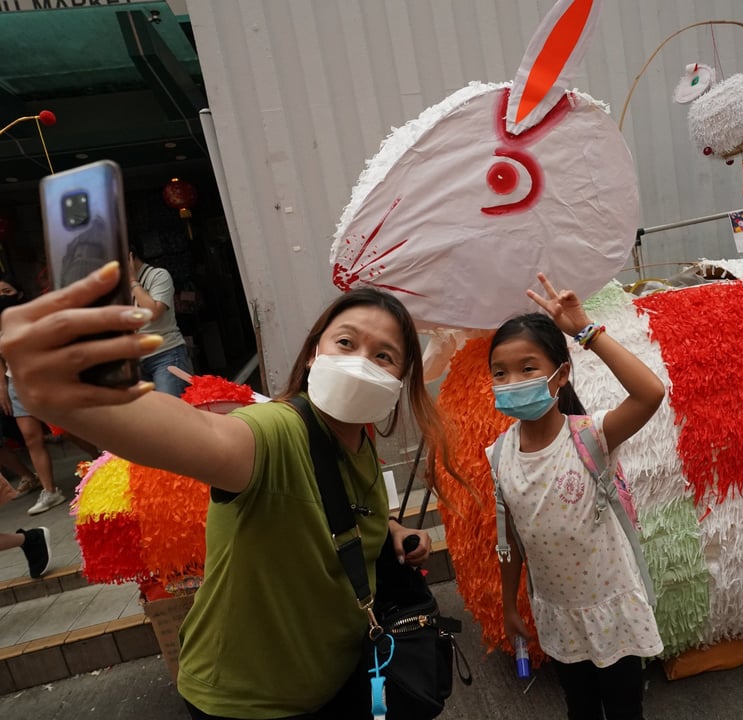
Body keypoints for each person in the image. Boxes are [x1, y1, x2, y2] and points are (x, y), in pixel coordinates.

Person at [0, 260, 466, 719]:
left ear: (400, 381)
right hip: (248, 702)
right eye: (345, 342)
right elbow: (197, 434)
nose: (360, 362)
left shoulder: (361, 442)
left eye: (383, 356)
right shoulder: (275, 432)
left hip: (336, 677)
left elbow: (340, 508)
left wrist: (390, 529)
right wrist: (74, 390)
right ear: (312, 355)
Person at [489, 272, 665, 720]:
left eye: (528, 368)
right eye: (500, 372)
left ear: (560, 373)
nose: (512, 381)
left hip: (612, 611)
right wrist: (510, 606)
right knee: (579, 709)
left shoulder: (591, 437)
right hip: (558, 614)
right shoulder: (499, 455)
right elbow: (509, 540)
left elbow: (650, 393)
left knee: (625, 710)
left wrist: (584, 330)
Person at [0, 275, 66, 515]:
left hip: (44, 379)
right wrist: (3, 388)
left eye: (6, 291)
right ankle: (50, 491)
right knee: (30, 438)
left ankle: (100, 460)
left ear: (19, 292)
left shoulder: (35, 314)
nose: (2, 298)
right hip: (16, 384)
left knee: (68, 429)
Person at [129, 245, 192, 397]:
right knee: (152, 417)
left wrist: (132, 282)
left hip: (165, 354)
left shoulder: (158, 275)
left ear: (129, 257)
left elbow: (153, 312)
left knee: (172, 412)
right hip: (136, 360)